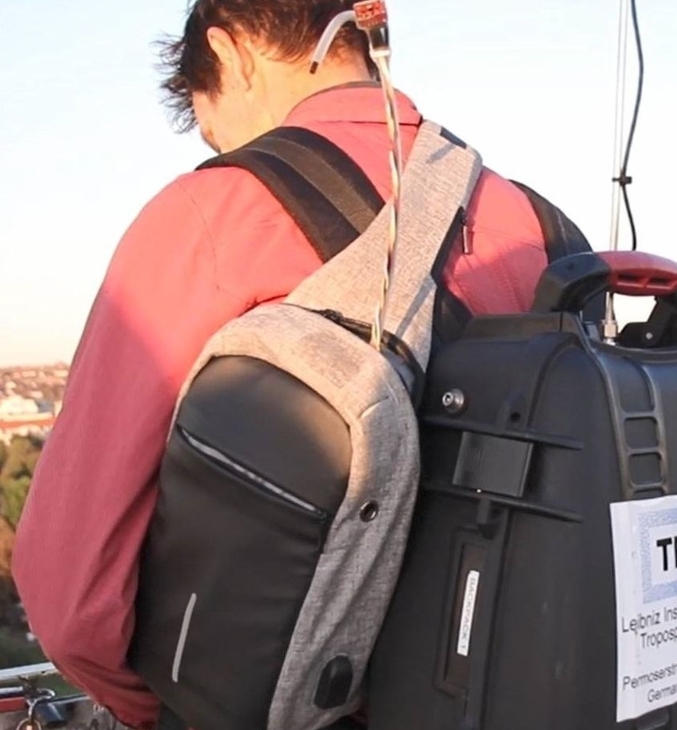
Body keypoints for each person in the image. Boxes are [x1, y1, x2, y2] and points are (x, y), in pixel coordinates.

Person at [11, 1, 557, 727]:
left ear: (230, 51)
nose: (220, 148)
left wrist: (185, 708)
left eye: (210, 125)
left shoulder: (213, 214)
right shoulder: (539, 223)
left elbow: (68, 598)